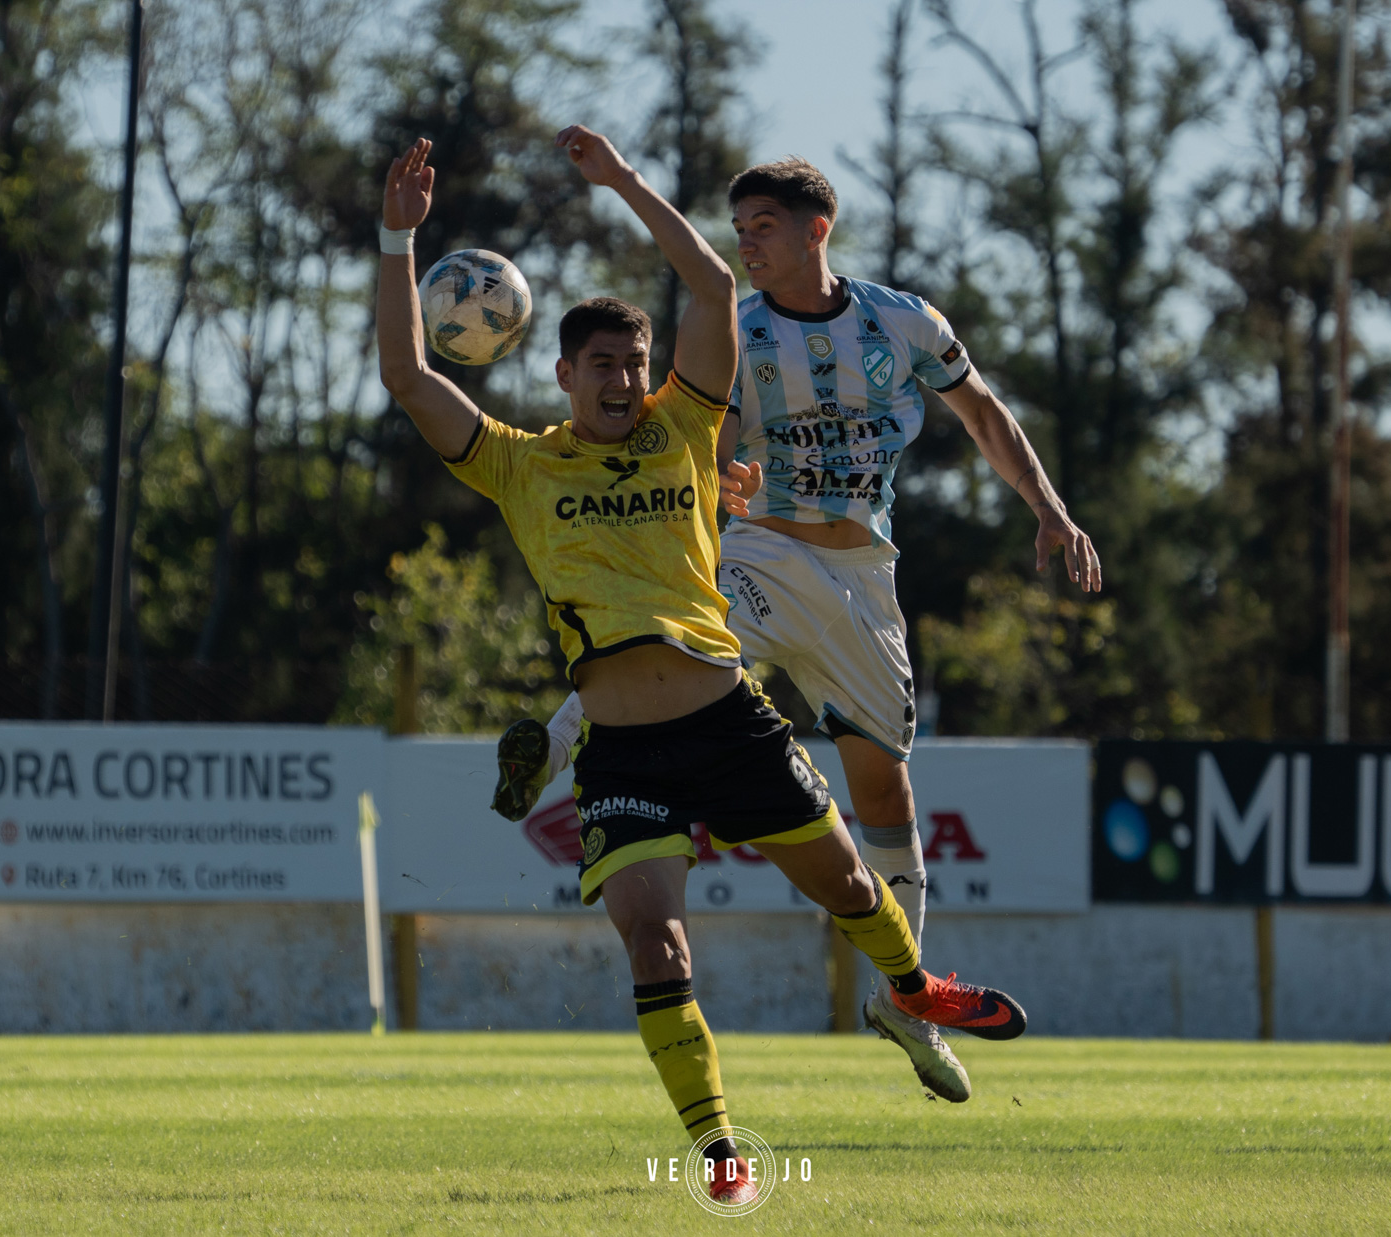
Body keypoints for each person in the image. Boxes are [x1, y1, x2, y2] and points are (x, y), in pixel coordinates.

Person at [377, 129, 1027, 1203]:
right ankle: (722, 1148)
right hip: (626, 750)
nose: (626, 380)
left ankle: (916, 988)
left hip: (732, 726)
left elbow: (712, 281)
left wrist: (625, 181)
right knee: (656, 946)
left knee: (854, 885)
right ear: (561, 373)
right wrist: (399, 238)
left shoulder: (688, 427)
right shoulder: (517, 463)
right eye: (604, 366)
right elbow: (407, 373)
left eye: (637, 363)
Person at [492, 156, 1095, 1102]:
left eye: (764, 223)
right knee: (682, 638)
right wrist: (719, 475)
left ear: (819, 227)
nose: (748, 239)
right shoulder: (741, 331)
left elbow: (982, 411)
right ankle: (555, 742)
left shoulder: (905, 320)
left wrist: (1049, 509)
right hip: (759, 553)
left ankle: (904, 999)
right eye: (740, 226)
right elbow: (683, 437)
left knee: (885, 789)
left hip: (862, 574)